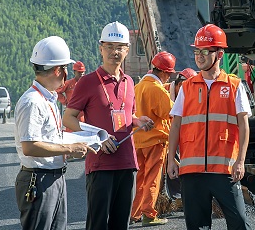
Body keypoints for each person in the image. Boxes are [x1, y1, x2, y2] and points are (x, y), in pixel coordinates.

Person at [63, 21, 154, 230]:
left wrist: (139, 121)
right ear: (101, 48)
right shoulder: (87, 82)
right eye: (110, 46)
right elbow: (68, 118)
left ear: (127, 50)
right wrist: (97, 139)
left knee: (121, 224)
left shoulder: (130, 82)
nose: (115, 52)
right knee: (98, 225)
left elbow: (127, 115)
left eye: (120, 47)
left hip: (128, 163)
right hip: (100, 164)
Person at [167, 24, 252, 230]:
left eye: (206, 51)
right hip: (192, 171)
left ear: (219, 54)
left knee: (239, 223)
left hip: (225, 170)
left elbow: (244, 125)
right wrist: (171, 160)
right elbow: (176, 124)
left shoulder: (234, 85)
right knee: (197, 226)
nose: (200, 56)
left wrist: (240, 161)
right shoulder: (187, 87)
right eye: (197, 51)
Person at [14, 36, 96, 230]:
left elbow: (48, 139)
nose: (67, 73)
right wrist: (69, 147)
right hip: (39, 179)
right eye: (66, 68)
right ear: (58, 70)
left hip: (52, 177)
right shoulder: (33, 102)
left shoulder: (47, 99)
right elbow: (30, 146)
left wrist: (71, 147)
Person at [131, 51, 177, 226]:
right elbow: (171, 112)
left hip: (138, 141)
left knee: (140, 179)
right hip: (155, 141)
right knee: (152, 178)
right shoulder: (156, 89)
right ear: (165, 72)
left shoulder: (138, 86)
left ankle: (134, 213)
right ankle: (149, 215)